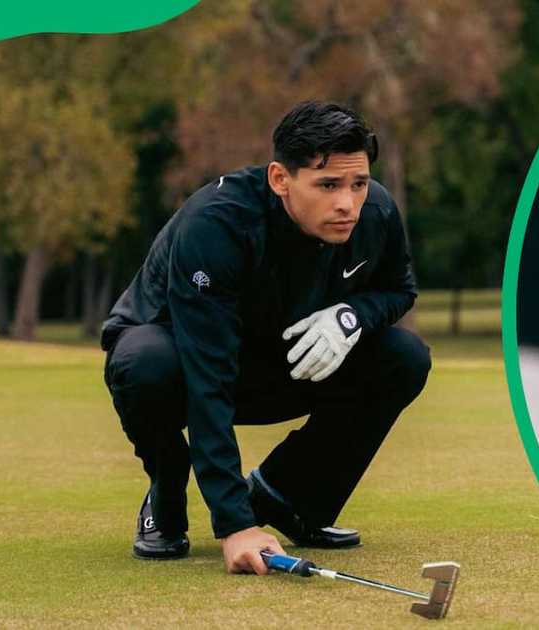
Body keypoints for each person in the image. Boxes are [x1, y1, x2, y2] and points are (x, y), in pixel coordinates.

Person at [101, 100, 430, 575]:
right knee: (144, 362)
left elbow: (400, 290)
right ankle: (166, 494)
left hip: (280, 363)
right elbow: (207, 374)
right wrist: (234, 525)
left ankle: (287, 500)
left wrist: (351, 315)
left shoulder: (374, 210)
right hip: (183, 364)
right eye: (328, 185)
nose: (347, 203)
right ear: (280, 180)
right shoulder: (215, 223)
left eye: (358, 183)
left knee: (404, 356)